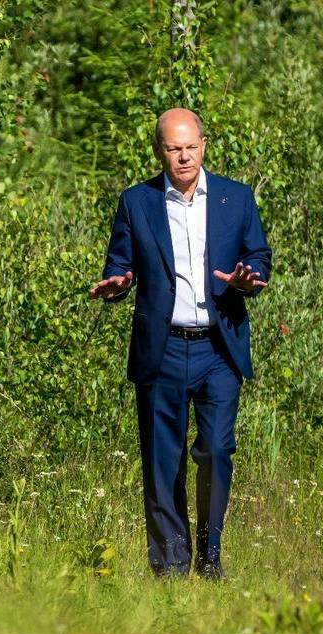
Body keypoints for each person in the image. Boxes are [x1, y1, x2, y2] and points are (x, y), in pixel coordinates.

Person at [90, 108, 271, 579]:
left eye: (191, 146)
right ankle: (170, 565)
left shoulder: (236, 198)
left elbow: (258, 255)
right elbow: (120, 264)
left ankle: (210, 558)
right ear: (160, 151)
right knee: (161, 460)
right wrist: (119, 283)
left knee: (215, 449)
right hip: (162, 347)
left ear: (204, 145)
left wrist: (248, 279)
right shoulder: (137, 202)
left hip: (218, 346)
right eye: (173, 148)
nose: (184, 156)